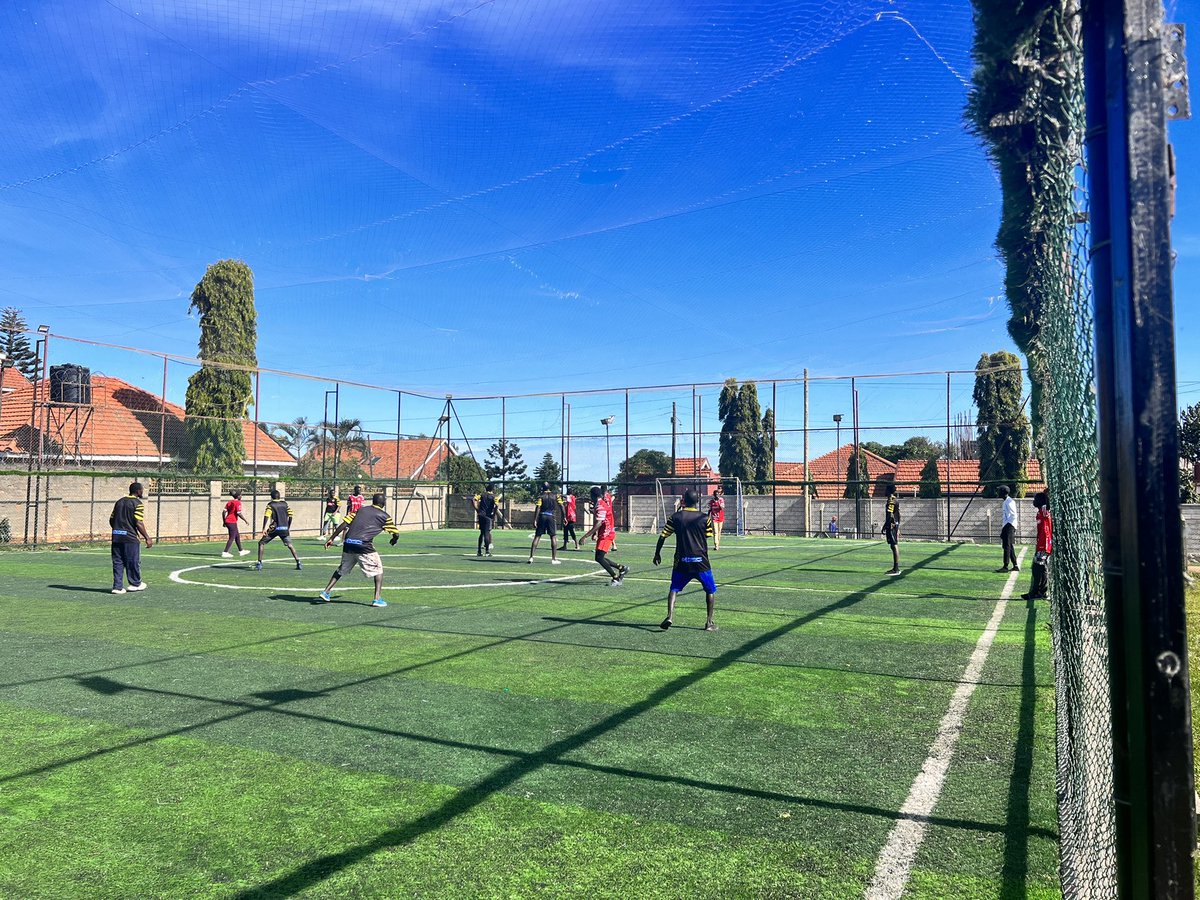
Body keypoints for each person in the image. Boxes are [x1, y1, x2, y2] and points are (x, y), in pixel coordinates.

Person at [319, 492, 400, 607]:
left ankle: (326, 592)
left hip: (348, 543)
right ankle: (377, 599)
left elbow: (344, 524)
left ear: (373, 501)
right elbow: (396, 533)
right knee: (378, 570)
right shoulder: (384, 516)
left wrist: (331, 538)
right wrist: (394, 540)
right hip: (363, 545)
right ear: (383, 503)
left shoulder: (360, 510)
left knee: (342, 569)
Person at [653, 488, 717, 631]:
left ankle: (669, 616)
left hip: (682, 560)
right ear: (697, 501)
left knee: (674, 588)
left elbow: (663, 535)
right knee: (710, 590)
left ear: (684, 501)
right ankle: (709, 622)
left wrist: (657, 553)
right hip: (701, 561)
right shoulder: (705, 518)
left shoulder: (675, 517)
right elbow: (708, 535)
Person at [110, 481, 153, 594]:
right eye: (142, 490)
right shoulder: (137, 504)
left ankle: (117, 587)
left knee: (118, 562)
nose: (142, 491)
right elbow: (138, 522)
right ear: (138, 491)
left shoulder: (119, 502)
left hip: (116, 537)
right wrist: (147, 537)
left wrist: (117, 529)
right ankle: (135, 583)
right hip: (130, 538)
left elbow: (111, 519)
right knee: (132, 561)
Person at [581, 485, 627, 586]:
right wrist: (594, 533)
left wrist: (585, 536)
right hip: (605, 532)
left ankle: (616, 578)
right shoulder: (600, 503)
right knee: (599, 557)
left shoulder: (600, 505)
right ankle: (622, 568)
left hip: (607, 533)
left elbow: (599, 523)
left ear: (593, 495)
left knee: (599, 557)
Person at [256, 489, 302, 571]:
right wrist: (288, 526)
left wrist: (263, 528)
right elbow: (291, 515)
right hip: (284, 528)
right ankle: (298, 562)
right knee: (290, 545)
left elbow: (266, 515)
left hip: (274, 528)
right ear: (279, 496)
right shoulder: (285, 504)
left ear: (271, 497)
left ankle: (259, 563)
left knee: (261, 543)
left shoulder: (270, 505)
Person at [1022, 491, 1052, 600]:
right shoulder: (1040, 512)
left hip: (1044, 545)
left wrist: (1043, 546)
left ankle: (1037, 592)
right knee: (1039, 568)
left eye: (1035, 499)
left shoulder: (1044, 511)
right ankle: (1040, 591)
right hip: (1041, 544)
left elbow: (1046, 530)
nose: (1033, 501)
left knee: (1037, 568)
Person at [528, 482, 561, 565]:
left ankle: (531, 557)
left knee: (537, 536)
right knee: (553, 537)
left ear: (542, 488)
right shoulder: (556, 495)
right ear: (550, 487)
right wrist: (564, 517)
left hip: (542, 516)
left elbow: (538, 507)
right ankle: (553, 559)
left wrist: (535, 520)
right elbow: (562, 505)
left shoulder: (540, 496)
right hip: (551, 517)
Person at [221, 490, 251, 558]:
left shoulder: (229, 502)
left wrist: (224, 521)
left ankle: (241, 550)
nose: (241, 496)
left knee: (237, 536)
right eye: (241, 495)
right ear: (238, 496)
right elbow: (238, 513)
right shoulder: (238, 503)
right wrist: (245, 520)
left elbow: (223, 512)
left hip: (228, 521)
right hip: (232, 522)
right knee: (232, 537)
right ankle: (225, 552)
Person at [996, 485, 1020, 573]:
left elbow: (1013, 515)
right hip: (1007, 526)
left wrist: (1008, 526)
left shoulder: (1009, 502)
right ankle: (1015, 565)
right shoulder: (1005, 502)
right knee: (1009, 545)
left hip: (1009, 526)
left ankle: (1005, 566)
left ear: (1003, 492)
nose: (998, 493)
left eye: (999, 491)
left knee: (1006, 546)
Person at [473, 483, 498, 557]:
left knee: (482, 533)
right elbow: (497, 505)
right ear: (492, 489)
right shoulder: (494, 497)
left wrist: (477, 509)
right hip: (488, 516)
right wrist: (494, 513)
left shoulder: (482, 495)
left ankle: (479, 551)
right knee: (487, 533)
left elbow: (473, 499)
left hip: (481, 515)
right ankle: (487, 551)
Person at [883, 483, 901, 575]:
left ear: (889, 490)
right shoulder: (894, 500)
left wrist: (887, 525)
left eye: (886, 489)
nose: (884, 491)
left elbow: (890, 515)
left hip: (892, 525)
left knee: (894, 545)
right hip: (894, 525)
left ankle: (896, 568)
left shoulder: (891, 500)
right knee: (893, 545)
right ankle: (896, 568)